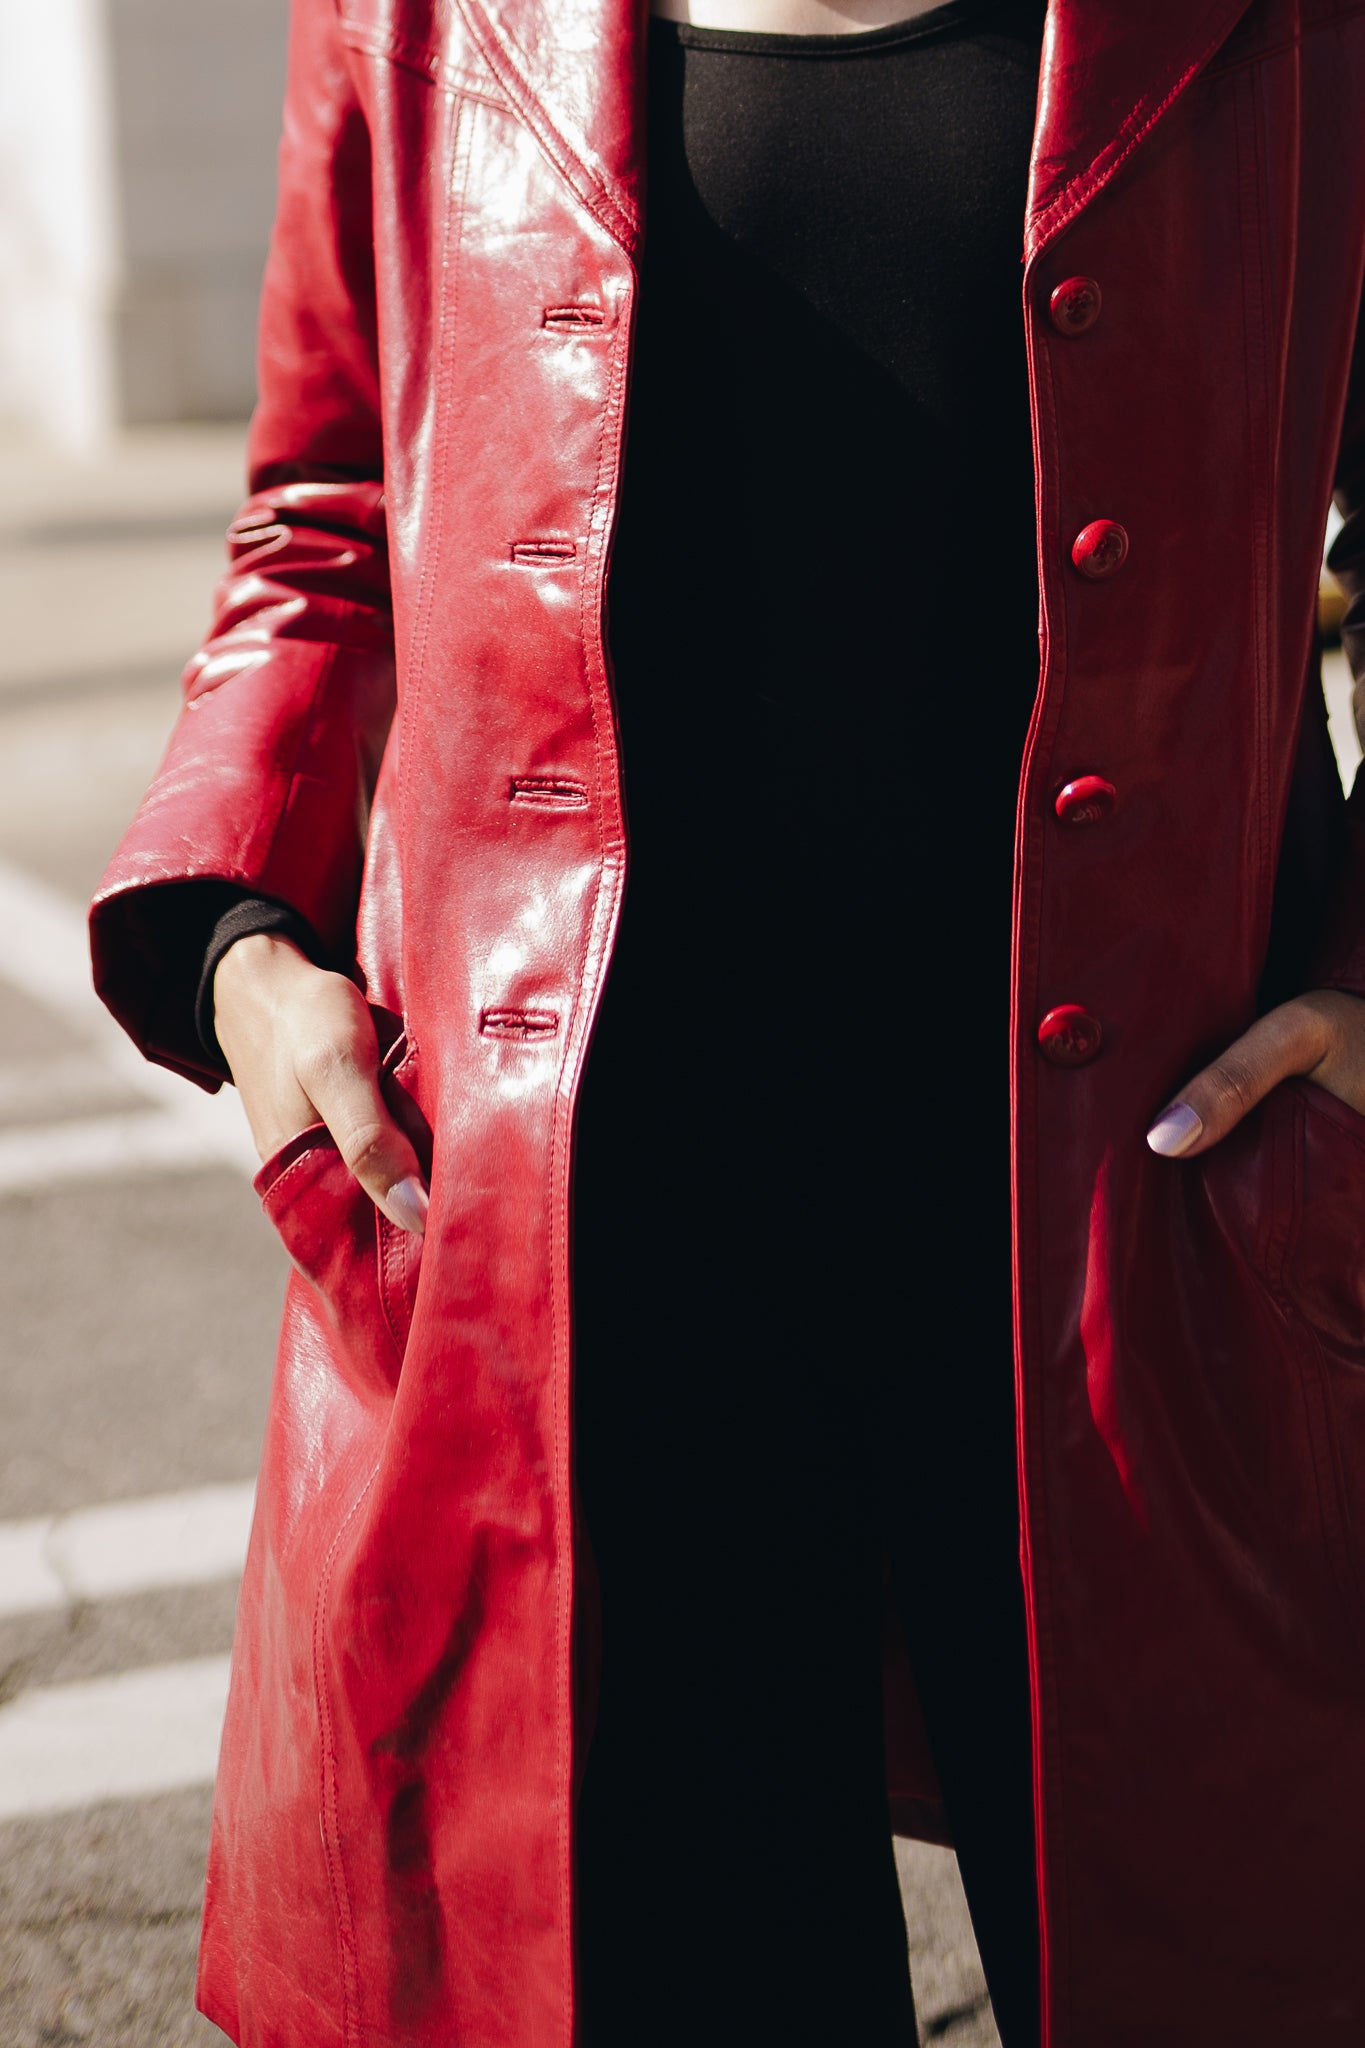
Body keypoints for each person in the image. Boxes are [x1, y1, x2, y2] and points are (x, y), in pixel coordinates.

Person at [89, 0, 1365, 2042]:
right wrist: (239, 940)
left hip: (1132, 1227)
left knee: (1207, 1962)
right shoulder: (415, 21)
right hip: (592, 1246)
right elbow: (325, 523)